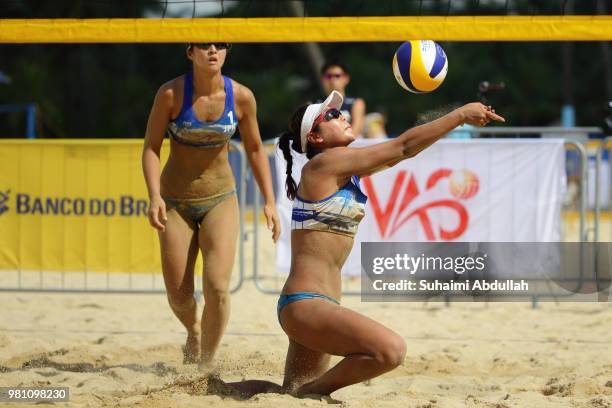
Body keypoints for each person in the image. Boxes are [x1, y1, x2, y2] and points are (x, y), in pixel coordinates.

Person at [276, 91, 504, 396]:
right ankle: (311, 395)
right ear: (315, 138)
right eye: (330, 116)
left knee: (286, 393)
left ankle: (215, 387)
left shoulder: (341, 169)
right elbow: (403, 146)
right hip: (307, 304)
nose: (341, 115)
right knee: (390, 351)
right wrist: (459, 115)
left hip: (317, 307)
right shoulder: (325, 165)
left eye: (339, 112)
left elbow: (402, 152)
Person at [142, 42, 280, 368]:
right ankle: (193, 329)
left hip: (221, 198)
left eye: (220, 46)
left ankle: (206, 365)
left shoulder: (241, 97)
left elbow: (257, 149)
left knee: (218, 286)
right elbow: (150, 147)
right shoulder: (171, 94)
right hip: (175, 201)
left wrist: (270, 201)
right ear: (190, 53)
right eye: (205, 46)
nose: (213, 51)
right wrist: (153, 196)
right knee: (179, 295)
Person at [318, 61, 366, 137]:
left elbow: (355, 132)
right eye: (328, 76)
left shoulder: (356, 103)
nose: (332, 80)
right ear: (322, 79)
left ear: (346, 79)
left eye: (337, 76)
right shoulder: (313, 104)